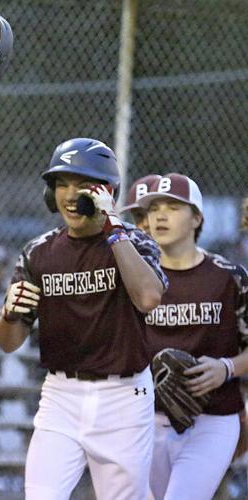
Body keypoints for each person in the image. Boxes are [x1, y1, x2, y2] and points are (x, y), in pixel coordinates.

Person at [0, 138, 167, 500]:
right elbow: (8, 343)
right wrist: (10, 313)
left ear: (108, 192)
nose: (70, 195)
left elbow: (149, 298)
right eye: (61, 184)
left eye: (83, 184)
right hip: (61, 396)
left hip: (124, 396)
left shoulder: (135, 242)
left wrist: (114, 229)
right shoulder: (38, 251)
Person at [136, 173, 248, 500]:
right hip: (145, 418)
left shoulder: (230, 278)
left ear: (197, 217)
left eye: (173, 207)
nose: (160, 215)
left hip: (213, 419)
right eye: (154, 207)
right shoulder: (135, 278)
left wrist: (226, 368)